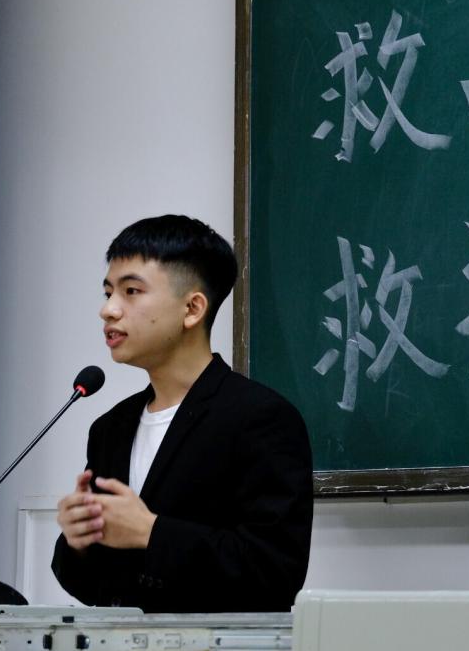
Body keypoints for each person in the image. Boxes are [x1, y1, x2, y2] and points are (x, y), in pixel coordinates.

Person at [51, 215, 313, 613]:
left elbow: (276, 573)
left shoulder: (261, 419)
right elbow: (96, 587)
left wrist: (152, 533)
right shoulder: (110, 428)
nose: (108, 310)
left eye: (131, 291)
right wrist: (78, 541)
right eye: (107, 293)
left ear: (192, 308)